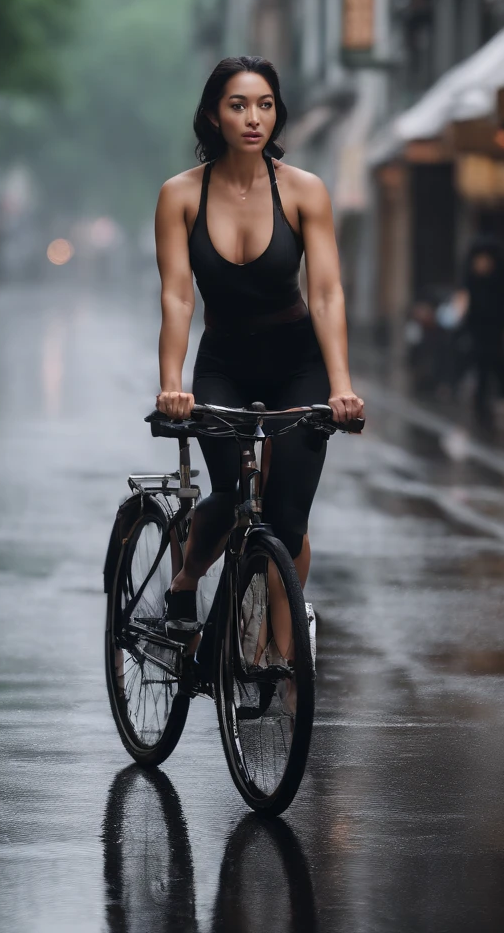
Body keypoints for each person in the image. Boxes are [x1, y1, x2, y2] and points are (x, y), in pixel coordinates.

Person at [154, 55, 365, 631]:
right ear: (212, 115)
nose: (254, 117)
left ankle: (282, 651)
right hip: (225, 362)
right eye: (238, 104)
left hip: (298, 361)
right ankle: (187, 579)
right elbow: (178, 298)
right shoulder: (179, 196)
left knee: (286, 520)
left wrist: (342, 386)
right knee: (227, 499)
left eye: (265, 105)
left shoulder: (304, 191)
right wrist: (172, 383)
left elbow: (325, 293)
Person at [462, 236, 504, 425]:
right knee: (481, 368)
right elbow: (465, 306)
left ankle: (500, 400)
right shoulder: (471, 283)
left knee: (496, 365)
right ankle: (481, 405)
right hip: (477, 333)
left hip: (496, 332)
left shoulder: (499, 284)